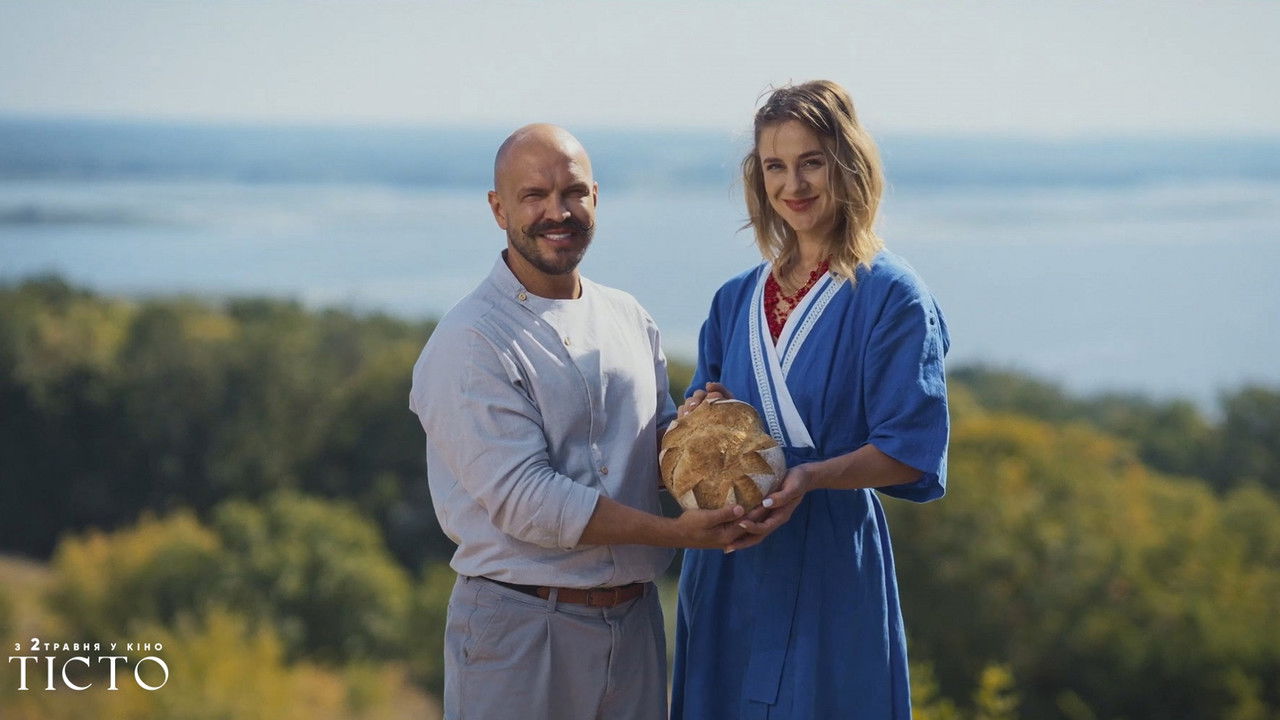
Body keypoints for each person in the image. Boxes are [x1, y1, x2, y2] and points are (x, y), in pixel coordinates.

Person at [409, 124, 748, 720]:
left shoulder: (628, 316)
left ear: (597, 197)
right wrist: (679, 536)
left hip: (636, 625)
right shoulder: (469, 342)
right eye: (534, 195)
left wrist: (694, 434)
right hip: (521, 630)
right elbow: (527, 501)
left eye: (573, 192)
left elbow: (652, 449)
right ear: (498, 208)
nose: (556, 211)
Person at [669, 81, 951, 720]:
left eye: (811, 162)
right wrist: (699, 419)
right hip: (729, 562)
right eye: (775, 166)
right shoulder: (734, 299)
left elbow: (910, 452)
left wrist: (811, 476)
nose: (792, 184)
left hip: (828, 560)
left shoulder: (893, 297)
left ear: (847, 165)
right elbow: (691, 424)